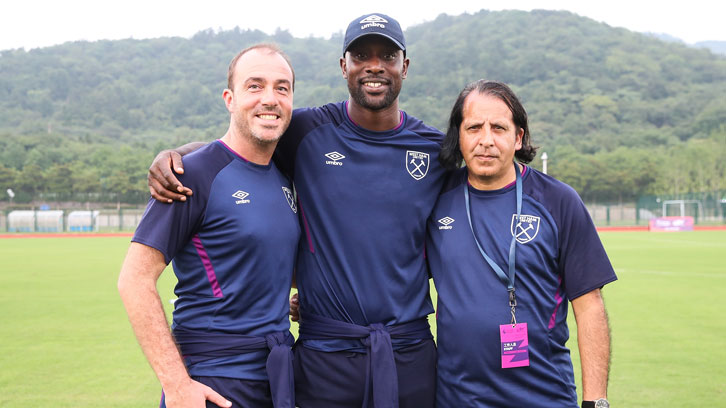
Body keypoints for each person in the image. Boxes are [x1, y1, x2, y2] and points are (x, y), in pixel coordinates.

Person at [147, 13, 444, 408]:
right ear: (344, 66)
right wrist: (175, 156)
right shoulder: (306, 131)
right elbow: (240, 144)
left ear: (404, 66)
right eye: (361, 55)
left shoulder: (436, 150)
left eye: (387, 55)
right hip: (324, 358)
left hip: (408, 353)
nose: (374, 65)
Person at [118, 44, 300, 408]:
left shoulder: (285, 175)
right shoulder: (192, 174)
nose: (270, 98)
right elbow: (134, 280)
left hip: (280, 376)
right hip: (214, 381)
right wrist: (177, 385)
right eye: (255, 86)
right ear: (229, 99)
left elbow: (266, 261)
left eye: (282, 87)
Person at [427, 79, 615, 407]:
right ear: (459, 136)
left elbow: (589, 305)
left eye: (498, 128)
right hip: (458, 398)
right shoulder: (435, 198)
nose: (486, 140)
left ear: (518, 138)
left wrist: (595, 402)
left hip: (544, 396)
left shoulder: (558, 201)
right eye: (474, 128)